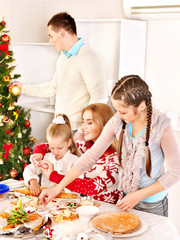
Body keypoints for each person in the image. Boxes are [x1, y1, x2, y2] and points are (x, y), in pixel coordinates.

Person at [39, 75, 180, 216]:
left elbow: (175, 173)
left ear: (142, 106)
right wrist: (57, 188)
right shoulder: (118, 121)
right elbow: (89, 157)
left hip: (153, 204)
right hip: (127, 198)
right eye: (117, 110)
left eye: (123, 111)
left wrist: (138, 196)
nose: (118, 115)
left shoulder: (162, 127)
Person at [12, 12, 108, 131]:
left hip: (78, 130)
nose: (50, 41)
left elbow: (99, 97)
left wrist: (84, 129)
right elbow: (53, 88)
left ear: (61, 33)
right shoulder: (63, 58)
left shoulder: (89, 57)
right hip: (61, 126)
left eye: (51, 35)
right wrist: (23, 88)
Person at [34, 103, 122, 204]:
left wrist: (53, 176)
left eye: (89, 123)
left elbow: (92, 187)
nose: (83, 127)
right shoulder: (83, 146)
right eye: (83, 122)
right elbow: (49, 146)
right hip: (84, 207)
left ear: (105, 125)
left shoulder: (116, 159)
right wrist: (39, 154)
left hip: (108, 210)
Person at [23, 114, 79, 196]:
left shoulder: (75, 161)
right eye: (52, 148)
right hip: (46, 200)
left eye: (60, 148)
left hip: (67, 200)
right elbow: (29, 169)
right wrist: (32, 181)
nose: (56, 152)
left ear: (69, 142)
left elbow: (77, 187)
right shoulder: (47, 158)